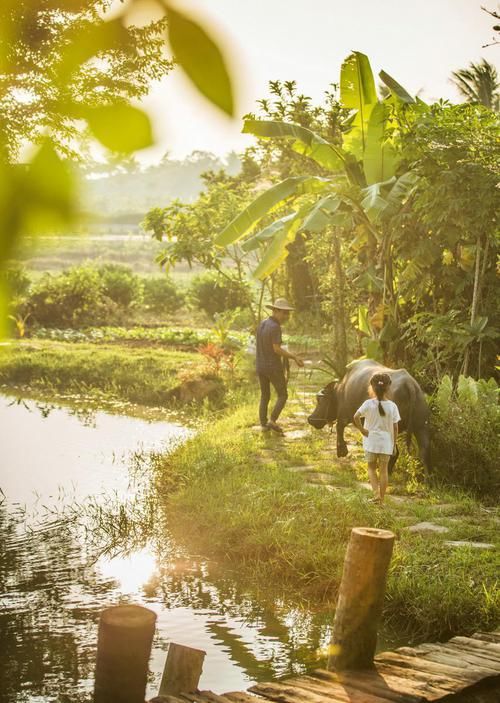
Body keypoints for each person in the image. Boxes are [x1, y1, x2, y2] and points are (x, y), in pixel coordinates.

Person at [256, 298, 304, 434]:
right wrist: (294, 357)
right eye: (284, 313)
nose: (286, 316)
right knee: (283, 395)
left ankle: (263, 425)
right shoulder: (275, 327)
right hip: (272, 367)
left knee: (265, 395)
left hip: (260, 365)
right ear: (275, 311)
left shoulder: (262, 324)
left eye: (288, 313)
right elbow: (276, 349)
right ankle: (272, 420)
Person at [353, 372, 401, 504]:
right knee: (384, 470)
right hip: (386, 443)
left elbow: (356, 416)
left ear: (372, 388)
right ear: (388, 388)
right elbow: (395, 428)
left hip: (371, 442)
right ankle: (381, 499)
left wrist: (362, 430)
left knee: (371, 468)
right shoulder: (392, 406)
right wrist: (394, 444)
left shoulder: (368, 404)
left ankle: (375, 495)